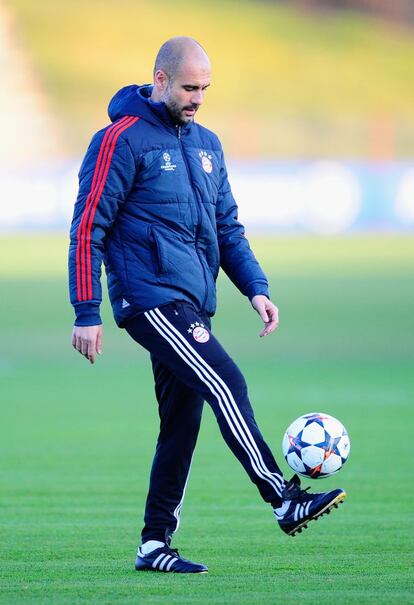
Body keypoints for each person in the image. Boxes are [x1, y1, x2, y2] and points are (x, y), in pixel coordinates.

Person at [69, 37, 346, 574]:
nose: (197, 98)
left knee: (181, 425)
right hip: (148, 297)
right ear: (160, 80)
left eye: (205, 89)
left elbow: (226, 227)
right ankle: (284, 499)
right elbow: (87, 227)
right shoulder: (119, 140)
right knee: (227, 382)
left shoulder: (208, 144)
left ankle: (154, 545)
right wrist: (86, 310)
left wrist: (256, 288)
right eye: (190, 88)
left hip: (193, 301)